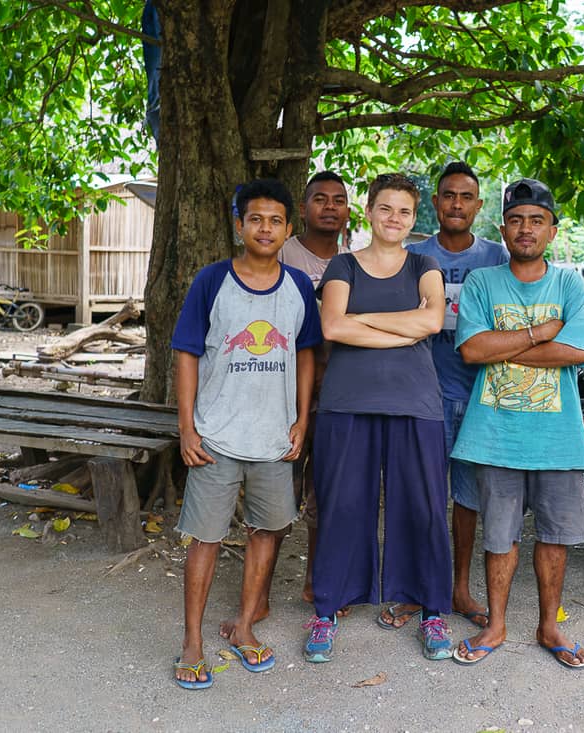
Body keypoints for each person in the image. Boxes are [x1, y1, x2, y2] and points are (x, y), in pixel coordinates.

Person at [171, 178, 321, 688]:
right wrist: (187, 427)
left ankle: (244, 627)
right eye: (255, 219)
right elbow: (187, 353)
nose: (265, 228)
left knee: (269, 530)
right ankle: (192, 641)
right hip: (216, 436)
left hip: (274, 439)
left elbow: (305, 353)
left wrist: (301, 419)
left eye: (275, 220)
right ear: (239, 226)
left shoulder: (300, 287)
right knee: (206, 538)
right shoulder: (212, 281)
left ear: (287, 229)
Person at [304, 173, 453, 663]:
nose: (395, 219)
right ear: (368, 212)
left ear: (415, 218)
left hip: (416, 405)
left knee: (425, 509)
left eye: (405, 211)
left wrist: (363, 323)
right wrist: (402, 329)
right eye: (386, 208)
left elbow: (431, 321)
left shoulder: (425, 264)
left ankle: (431, 608)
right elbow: (331, 326)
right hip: (348, 404)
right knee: (343, 507)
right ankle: (327, 611)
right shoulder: (343, 265)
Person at [449, 179, 584, 669]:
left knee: (554, 537)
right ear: (503, 228)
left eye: (537, 221)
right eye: (516, 220)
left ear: (552, 231)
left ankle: (548, 625)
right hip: (496, 436)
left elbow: (576, 351)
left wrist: (506, 342)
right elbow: (472, 350)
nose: (526, 229)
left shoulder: (570, 284)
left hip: (558, 439)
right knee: (499, 537)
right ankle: (496, 625)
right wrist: (539, 333)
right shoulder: (482, 284)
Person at [374, 162, 508, 632]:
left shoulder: (496, 258)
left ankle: (458, 588)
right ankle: (415, 587)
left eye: (466, 196)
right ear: (435, 203)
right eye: (448, 195)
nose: (456, 203)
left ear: (478, 204)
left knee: (467, 499)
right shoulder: (412, 256)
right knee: (421, 494)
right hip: (423, 394)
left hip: (479, 396)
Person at [274, 170, 351, 614]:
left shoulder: (355, 263)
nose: (329, 206)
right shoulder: (280, 255)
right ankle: (258, 590)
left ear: (347, 211)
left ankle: (316, 582)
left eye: (338, 200)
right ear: (302, 209)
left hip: (335, 396)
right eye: (319, 198)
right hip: (280, 397)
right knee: (277, 493)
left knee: (328, 495)